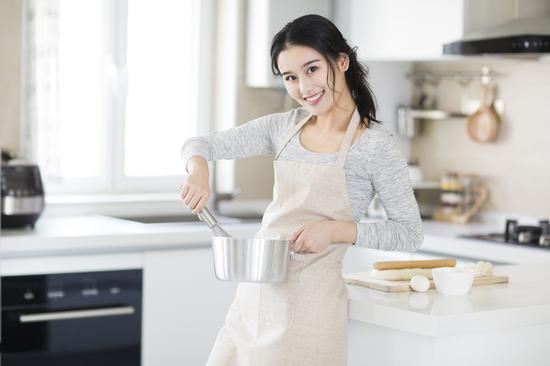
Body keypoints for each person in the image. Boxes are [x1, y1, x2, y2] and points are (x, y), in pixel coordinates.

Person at [180, 14, 423, 366]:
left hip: (312, 310)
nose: (303, 87)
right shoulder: (284, 127)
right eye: (291, 77)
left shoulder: (374, 147)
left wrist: (335, 230)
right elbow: (199, 143)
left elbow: (409, 233)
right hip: (253, 299)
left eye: (312, 69)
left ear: (341, 61)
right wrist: (199, 171)